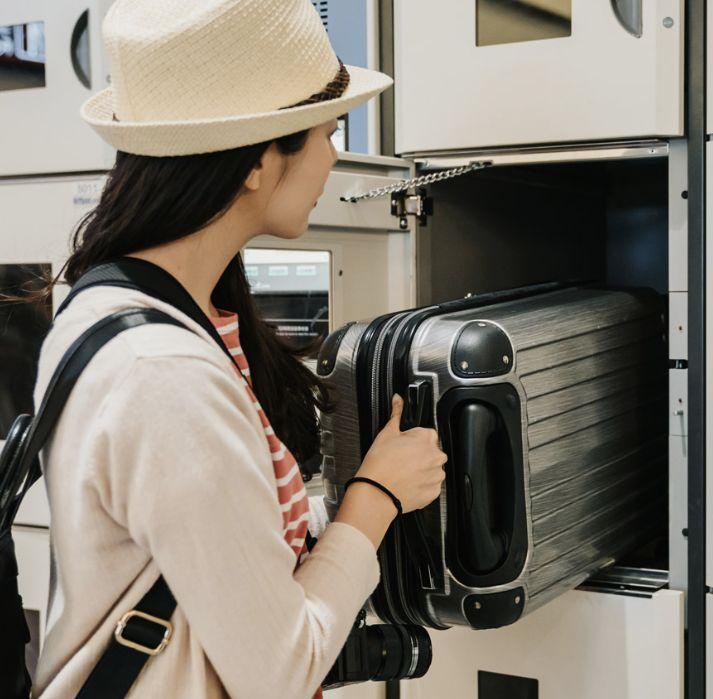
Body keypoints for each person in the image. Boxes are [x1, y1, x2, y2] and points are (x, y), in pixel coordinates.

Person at [29, 0, 447, 696]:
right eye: (326, 131)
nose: (334, 156)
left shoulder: (121, 307)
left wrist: (346, 508)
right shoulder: (164, 377)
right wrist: (375, 498)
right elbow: (280, 671)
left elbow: (215, 546)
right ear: (257, 162)